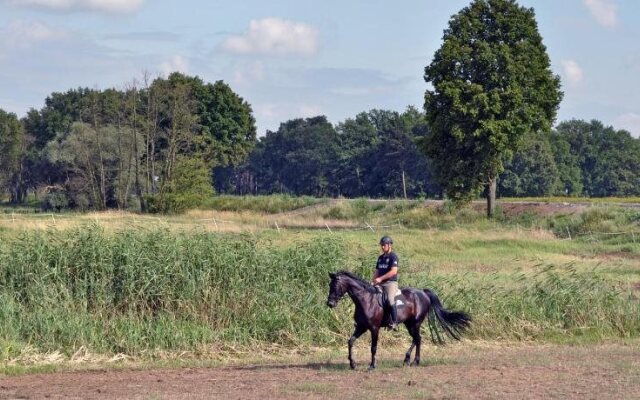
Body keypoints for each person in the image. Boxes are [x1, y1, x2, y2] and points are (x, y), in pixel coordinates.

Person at [372, 235, 399, 329]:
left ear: (389, 245)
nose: (382, 247)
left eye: (384, 245)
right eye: (382, 245)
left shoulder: (393, 257)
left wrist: (380, 279)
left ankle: (395, 322)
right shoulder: (380, 258)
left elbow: (393, 271)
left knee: (390, 300)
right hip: (380, 283)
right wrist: (373, 281)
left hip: (390, 283)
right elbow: (377, 271)